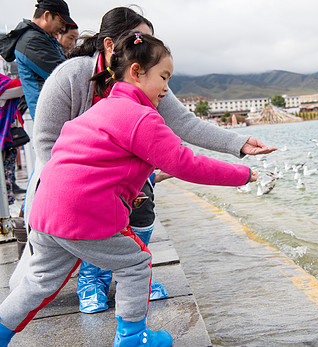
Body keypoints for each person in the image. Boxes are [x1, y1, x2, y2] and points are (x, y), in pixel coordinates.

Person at [0, 31, 257, 346]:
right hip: (82, 214)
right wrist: (241, 174)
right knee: (136, 263)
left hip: (44, 209)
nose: (166, 87)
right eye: (163, 77)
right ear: (137, 72)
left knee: (38, 283)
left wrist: (121, 188)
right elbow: (185, 164)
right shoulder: (142, 118)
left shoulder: (101, 109)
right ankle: (134, 338)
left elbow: (83, 159)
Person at [0, 0, 75, 121]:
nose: (63, 28)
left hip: (52, 114)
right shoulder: (31, 41)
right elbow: (62, 75)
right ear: (47, 16)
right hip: (49, 117)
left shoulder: (42, 38)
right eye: (61, 22)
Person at [0, 74, 25, 214]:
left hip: (6, 141)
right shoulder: (2, 85)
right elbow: (22, 85)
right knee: (4, 179)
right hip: (4, 141)